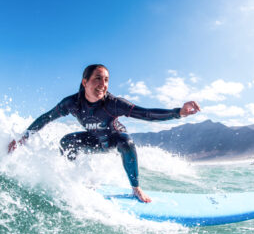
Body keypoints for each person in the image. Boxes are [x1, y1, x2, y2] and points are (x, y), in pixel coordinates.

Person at [8, 64, 200, 203]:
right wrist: (23, 138)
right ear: (85, 82)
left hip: (115, 139)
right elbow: (46, 117)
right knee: (66, 141)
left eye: (106, 79)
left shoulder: (114, 103)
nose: (103, 84)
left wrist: (178, 113)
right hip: (94, 141)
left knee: (126, 143)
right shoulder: (72, 103)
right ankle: (72, 180)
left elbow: (146, 114)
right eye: (97, 78)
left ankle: (136, 188)